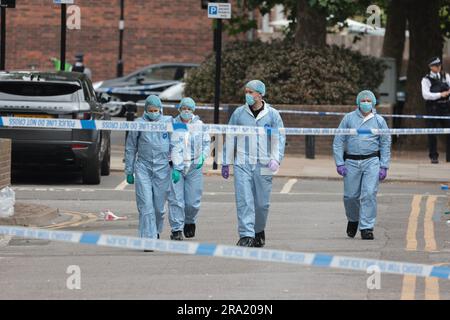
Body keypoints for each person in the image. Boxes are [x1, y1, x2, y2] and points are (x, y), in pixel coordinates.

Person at [221, 80, 285, 247]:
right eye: (246, 91)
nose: (247, 95)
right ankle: (246, 235)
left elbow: (280, 138)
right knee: (244, 200)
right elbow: (230, 136)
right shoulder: (239, 113)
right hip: (242, 162)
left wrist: (276, 159)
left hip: (265, 164)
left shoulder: (272, 115)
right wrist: (225, 162)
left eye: (251, 92)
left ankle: (259, 229)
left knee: (262, 203)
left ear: (260, 94)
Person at [333, 90, 391, 240]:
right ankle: (353, 220)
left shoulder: (379, 121)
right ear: (358, 102)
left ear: (373, 103)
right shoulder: (348, 119)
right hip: (351, 162)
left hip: (372, 161)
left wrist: (384, 165)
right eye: (363, 100)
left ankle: (366, 227)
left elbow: (385, 143)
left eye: (368, 100)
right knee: (350, 196)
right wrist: (339, 162)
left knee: (369, 194)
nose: (366, 103)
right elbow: (339, 140)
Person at [124, 95, 172, 243]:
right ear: (145, 110)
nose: (153, 112)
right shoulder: (138, 123)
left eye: (155, 110)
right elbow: (131, 147)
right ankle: (147, 237)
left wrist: (177, 166)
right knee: (145, 204)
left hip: (162, 167)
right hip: (143, 167)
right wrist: (129, 170)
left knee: (158, 207)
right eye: (150, 110)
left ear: (160, 109)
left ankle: (156, 231)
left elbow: (176, 144)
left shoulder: (168, 122)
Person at [168, 97, 210, 241]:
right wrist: (171, 162)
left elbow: (206, 143)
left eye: (189, 109)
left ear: (193, 110)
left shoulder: (199, 124)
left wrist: (203, 157)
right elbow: (167, 144)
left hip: (194, 166)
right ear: (179, 109)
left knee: (192, 202)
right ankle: (176, 229)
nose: (186, 111)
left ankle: (190, 221)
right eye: (184, 108)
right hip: (176, 167)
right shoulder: (172, 124)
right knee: (176, 200)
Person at [421, 56, 450, 163]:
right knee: (432, 133)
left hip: (445, 107)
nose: (438, 67)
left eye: (439, 65)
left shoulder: (445, 76)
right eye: (435, 65)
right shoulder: (426, 79)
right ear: (430, 67)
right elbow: (426, 95)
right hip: (432, 108)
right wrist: (440, 94)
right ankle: (433, 156)